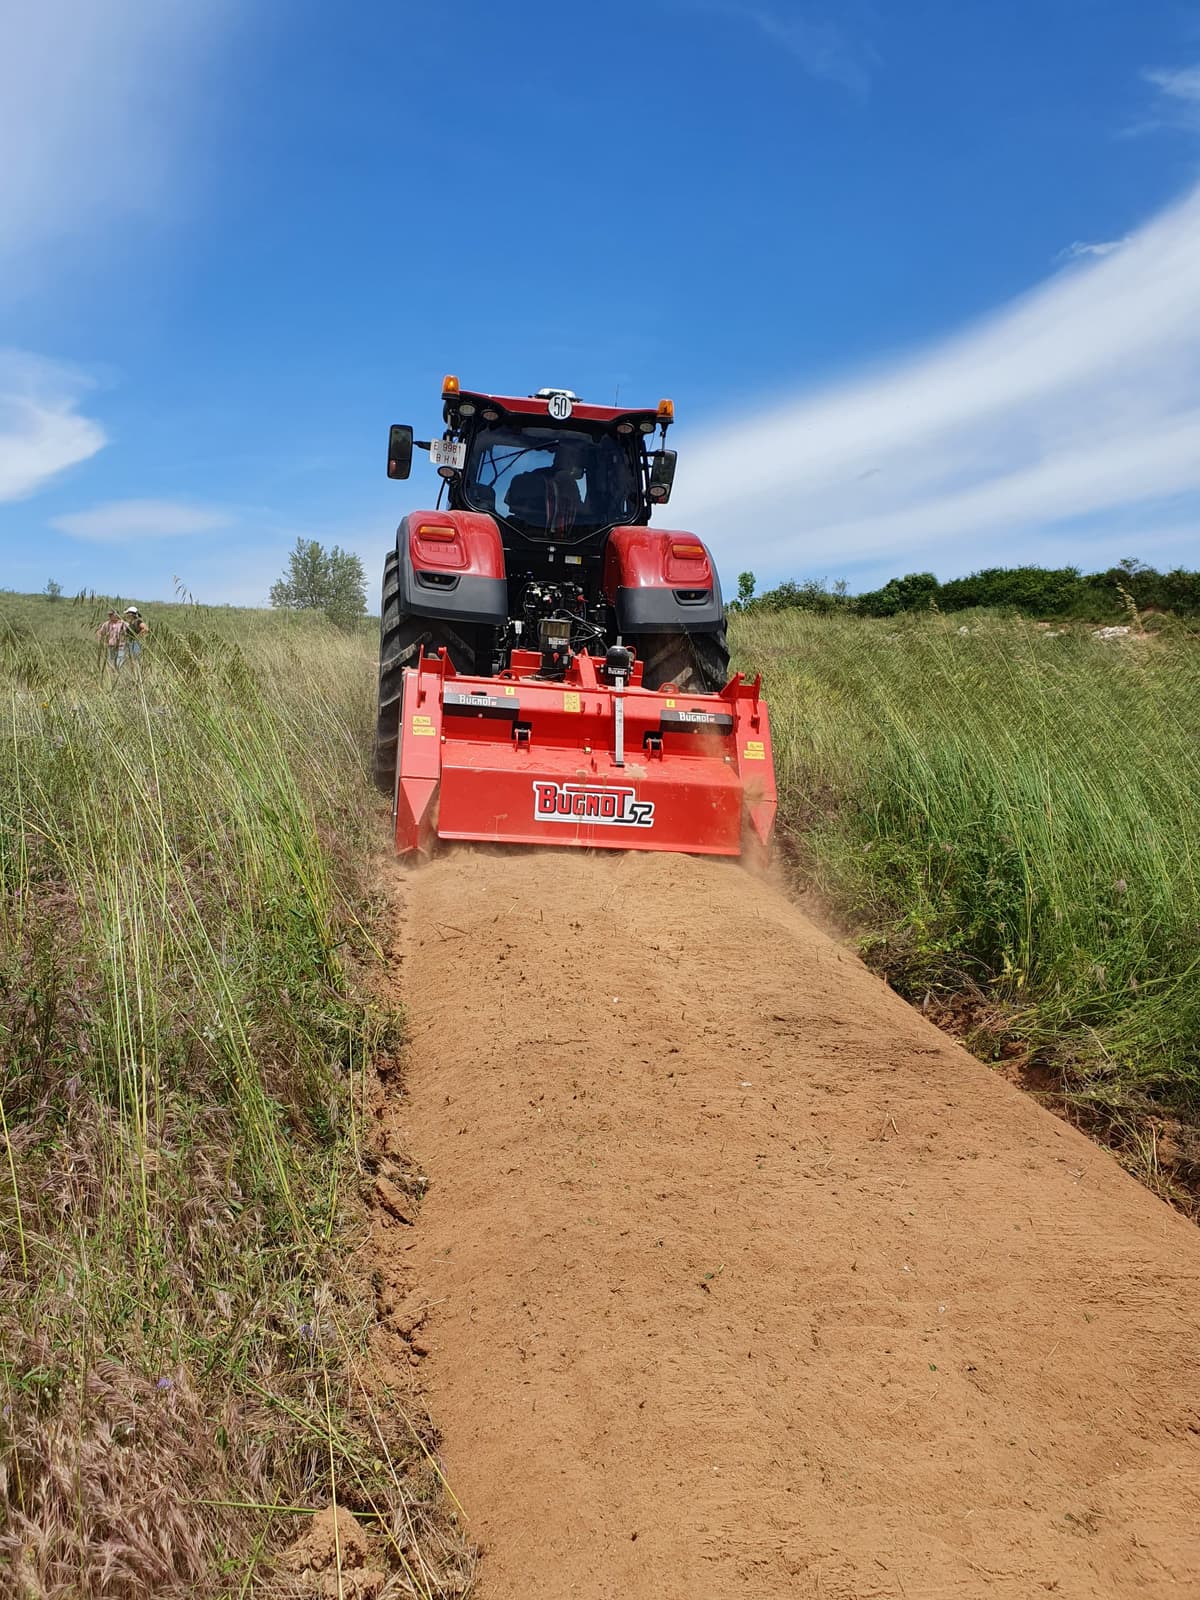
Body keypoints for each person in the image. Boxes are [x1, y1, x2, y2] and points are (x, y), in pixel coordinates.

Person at [506, 439, 587, 533]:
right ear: (557, 457)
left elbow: (580, 510)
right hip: (528, 532)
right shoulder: (530, 478)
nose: (571, 461)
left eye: (573, 456)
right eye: (570, 455)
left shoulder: (569, 483)